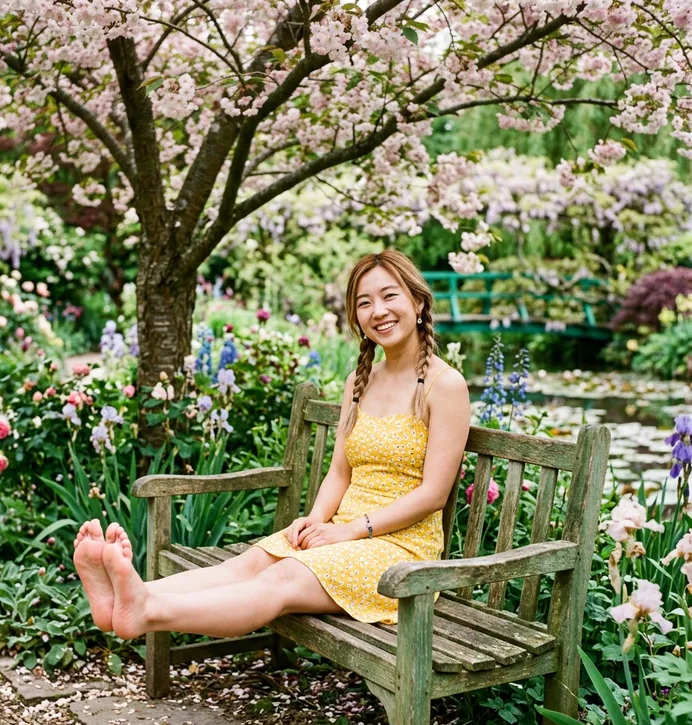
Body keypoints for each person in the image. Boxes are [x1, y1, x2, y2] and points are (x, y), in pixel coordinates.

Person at [73, 250, 471, 641]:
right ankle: (125, 598)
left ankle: (146, 612)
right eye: (364, 302)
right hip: (341, 533)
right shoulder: (361, 380)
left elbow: (433, 494)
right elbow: (339, 472)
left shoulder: (446, 386)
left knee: (283, 577)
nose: (378, 311)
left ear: (418, 302)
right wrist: (316, 520)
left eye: (389, 296)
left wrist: (351, 531)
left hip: (401, 556)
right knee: (245, 565)